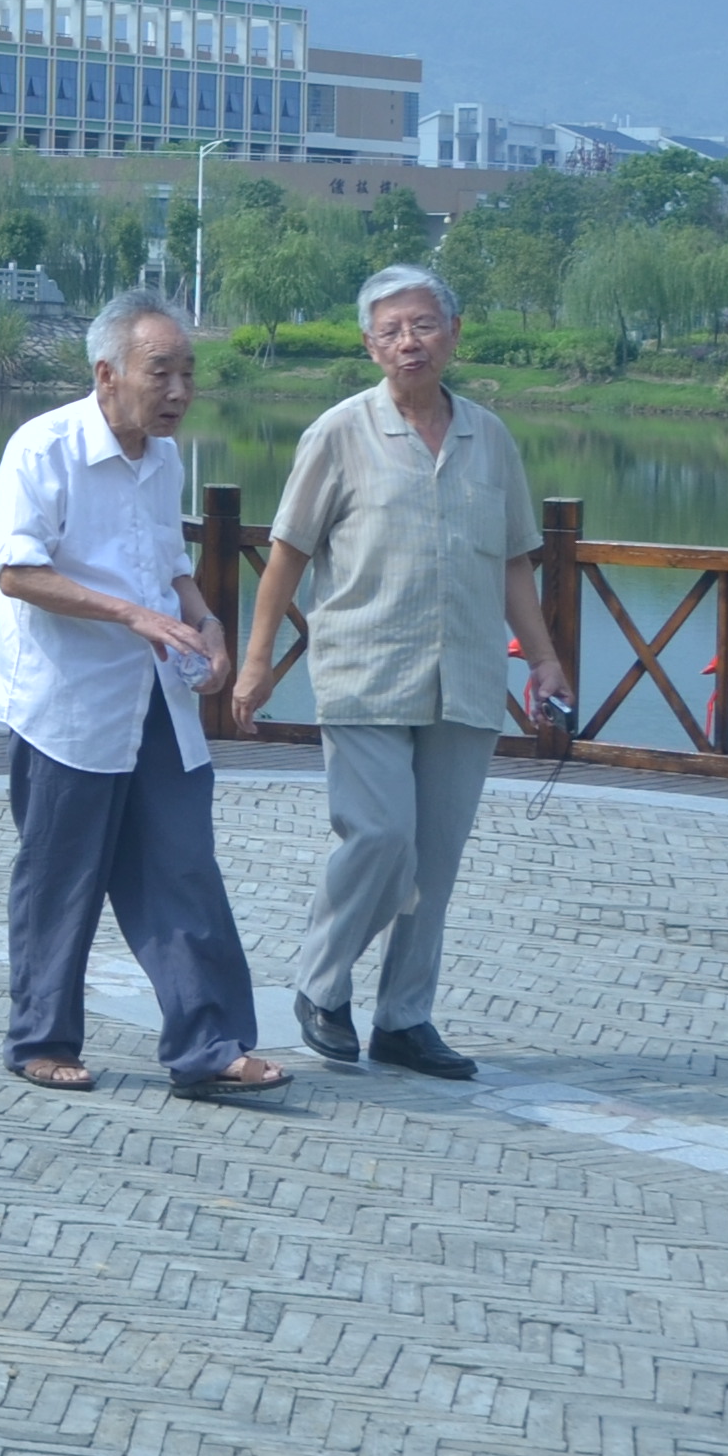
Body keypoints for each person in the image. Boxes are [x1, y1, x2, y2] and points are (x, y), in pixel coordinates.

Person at [227, 262, 564, 1081]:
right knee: (380, 838)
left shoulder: (491, 438)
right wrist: (258, 660)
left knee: (435, 863)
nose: (410, 342)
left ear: (454, 333)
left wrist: (546, 657)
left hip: (467, 676)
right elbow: (286, 554)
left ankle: (405, 1020)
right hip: (366, 671)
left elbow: (515, 561)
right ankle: (321, 983)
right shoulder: (339, 432)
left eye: (423, 325)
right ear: (369, 345)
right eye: (391, 330)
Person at [0, 291, 289, 1100]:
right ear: (107, 373)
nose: (180, 391)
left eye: (189, 373)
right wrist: (132, 614)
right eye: (162, 372)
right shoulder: (42, 447)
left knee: (183, 866)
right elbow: (15, 571)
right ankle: (41, 1040)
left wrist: (205, 622)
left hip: (156, 690)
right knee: (62, 875)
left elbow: (169, 563)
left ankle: (208, 1047)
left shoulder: (164, 459)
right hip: (67, 699)